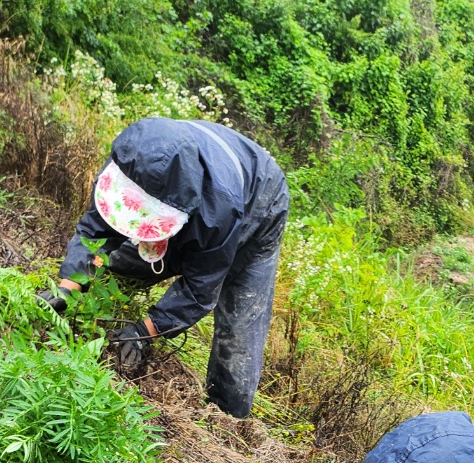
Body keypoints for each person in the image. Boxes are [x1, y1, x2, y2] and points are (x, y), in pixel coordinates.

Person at [42, 117, 289, 417]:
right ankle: (94, 310)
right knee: (121, 263)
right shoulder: (130, 159)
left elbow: (200, 289)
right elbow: (95, 232)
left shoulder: (220, 210)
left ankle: (225, 417)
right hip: (191, 181)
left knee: (238, 324)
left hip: (259, 201)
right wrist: (68, 286)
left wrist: (144, 332)